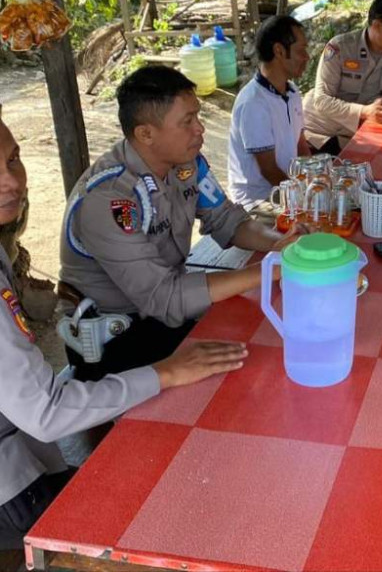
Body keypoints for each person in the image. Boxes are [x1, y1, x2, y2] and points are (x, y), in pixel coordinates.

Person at [0, 100, 248, 571]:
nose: (12, 179)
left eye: (13, 159)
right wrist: (168, 371)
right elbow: (47, 413)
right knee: (165, 514)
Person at [60, 65, 299, 383]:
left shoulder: (186, 163)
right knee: (243, 376)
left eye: (197, 116)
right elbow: (164, 297)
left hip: (163, 315)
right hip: (114, 341)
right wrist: (272, 268)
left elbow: (227, 218)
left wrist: (278, 244)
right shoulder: (110, 200)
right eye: (187, 122)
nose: (200, 128)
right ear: (145, 134)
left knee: (267, 345)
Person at [303, 0, 382, 155]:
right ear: (377, 26)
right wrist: (365, 111)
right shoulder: (340, 48)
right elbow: (322, 100)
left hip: (363, 132)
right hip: (320, 133)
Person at [227, 15, 311, 204]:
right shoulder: (254, 103)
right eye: (301, 50)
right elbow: (269, 170)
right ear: (279, 51)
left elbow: (301, 145)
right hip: (259, 200)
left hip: (287, 188)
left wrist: (317, 178)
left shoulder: (292, 92)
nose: (307, 57)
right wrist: (305, 197)